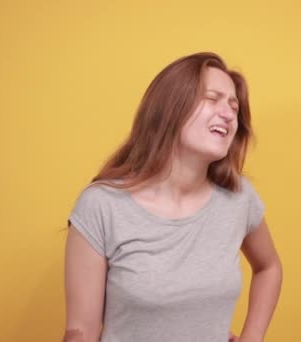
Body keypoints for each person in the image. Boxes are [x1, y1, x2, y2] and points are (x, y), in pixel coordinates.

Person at [63, 52, 282, 342]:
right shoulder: (101, 205)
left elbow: (269, 267)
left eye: (234, 106)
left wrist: (252, 338)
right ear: (171, 107)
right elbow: (81, 331)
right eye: (212, 98)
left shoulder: (239, 199)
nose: (230, 114)